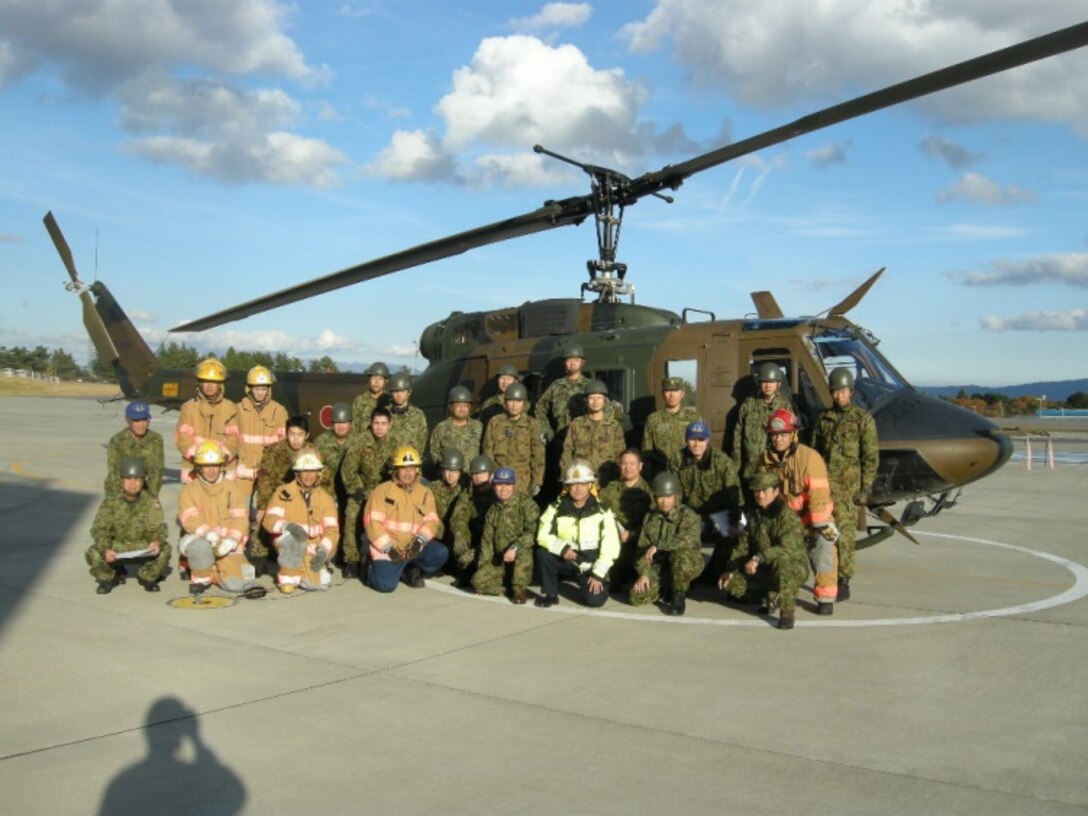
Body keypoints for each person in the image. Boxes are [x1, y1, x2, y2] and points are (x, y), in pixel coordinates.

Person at [758, 408, 838, 614]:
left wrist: (819, 526)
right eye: (774, 435)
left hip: (810, 520)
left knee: (825, 545)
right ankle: (772, 592)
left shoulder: (810, 458)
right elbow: (762, 496)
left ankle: (825, 597)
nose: (778, 439)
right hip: (783, 522)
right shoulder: (765, 460)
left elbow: (819, 496)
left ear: (793, 434)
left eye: (783, 434)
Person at [812, 367, 879, 601]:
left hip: (849, 490)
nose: (839, 395)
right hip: (827, 489)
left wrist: (866, 488)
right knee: (826, 533)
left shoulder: (863, 419)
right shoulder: (824, 418)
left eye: (843, 391)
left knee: (846, 536)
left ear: (850, 391)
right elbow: (815, 454)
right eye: (835, 391)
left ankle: (844, 579)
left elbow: (870, 457)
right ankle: (826, 576)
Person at [718, 471, 810, 630]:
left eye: (765, 491)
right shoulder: (754, 515)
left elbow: (786, 549)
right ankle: (770, 595)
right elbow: (743, 545)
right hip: (763, 567)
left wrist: (758, 558)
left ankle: (787, 612)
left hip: (792, 567)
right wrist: (731, 569)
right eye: (757, 491)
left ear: (775, 491)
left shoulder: (787, 517)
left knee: (782, 565)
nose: (760, 495)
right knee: (732, 585)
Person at [534, 460, 620, 608]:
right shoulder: (556, 508)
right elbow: (542, 535)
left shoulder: (602, 511)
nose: (578, 488)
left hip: (590, 565)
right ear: (567, 486)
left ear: (590, 486)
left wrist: (598, 574)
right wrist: (562, 548)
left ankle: (597, 583)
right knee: (543, 554)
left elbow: (611, 546)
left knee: (595, 601)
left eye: (583, 484)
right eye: (574, 484)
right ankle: (551, 594)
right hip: (566, 559)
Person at [363, 445, 449, 592]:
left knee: (440, 553)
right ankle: (369, 567)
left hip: (413, 547)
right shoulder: (382, 491)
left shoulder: (425, 493)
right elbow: (372, 522)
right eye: (403, 468)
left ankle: (408, 568)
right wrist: (389, 548)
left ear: (417, 469)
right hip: (389, 549)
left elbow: (432, 521)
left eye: (412, 468)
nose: (408, 472)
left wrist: (419, 542)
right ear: (396, 470)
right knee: (385, 586)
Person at [177, 440, 252, 596]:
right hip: (202, 541)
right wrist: (209, 536)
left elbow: (241, 519)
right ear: (199, 467)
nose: (211, 470)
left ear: (221, 467)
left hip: (227, 544)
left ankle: (215, 574)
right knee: (200, 548)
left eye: (215, 466)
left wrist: (230, 541)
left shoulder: (232, 489)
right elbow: (190, 518)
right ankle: (201, 578)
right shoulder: (189, 490)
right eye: (206, 466)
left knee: (239, 582)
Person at [87, 456, 170, 594]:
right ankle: (108, 578)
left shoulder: (150, 502)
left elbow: (158, 528)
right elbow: (100, 529)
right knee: (94, 552)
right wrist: (105, 549)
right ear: (121, 480)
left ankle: (147, 576)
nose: (133, 484)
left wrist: (156, 541)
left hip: (141, 546)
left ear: (143, 481)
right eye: (128, 479)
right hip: (117, 546)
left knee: (165, 548)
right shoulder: (111, 502)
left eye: (137, 479)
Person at [670, 420, 743, 574]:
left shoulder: (722, 461)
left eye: (701, 439)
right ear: (686, 440)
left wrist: (734, 522)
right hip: (690, 512)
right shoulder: (677, 459)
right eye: (693, 439)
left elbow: (734, 496)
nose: (697, 444)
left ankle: (716, 568)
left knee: (735, 534)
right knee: (677, 534)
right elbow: (674, 495)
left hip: (718, 512)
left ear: (708, 440)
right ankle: (687, 570)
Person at [262, 449, 339, 593]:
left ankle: (306, 569)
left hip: (313, 547)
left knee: (316, 584)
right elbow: (269, 520)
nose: (309, 476)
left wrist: (323, 551)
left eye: (313, 471)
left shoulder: (326, 499)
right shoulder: (283, 492)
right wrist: (287, 526)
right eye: (304, 471)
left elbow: (332, 531)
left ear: (319, 473)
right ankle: (287, 578)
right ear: (297, 473)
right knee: (292, 542)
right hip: (289, 542)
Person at [629, 472, 704, 615]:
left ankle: (678, 595)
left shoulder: (689, 516)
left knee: (681, 556)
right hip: (661, 567)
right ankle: (667, 586)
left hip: (686, 561)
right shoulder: (650, 518)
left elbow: (685, 540)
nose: (665, 502)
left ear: (676, 496)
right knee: (636, 597)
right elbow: (641, 549)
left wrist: (658, 546)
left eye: (669, 497)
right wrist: (644, 573)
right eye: (660, 497)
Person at [250, 415, 312, 575]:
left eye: (300, 435)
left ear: (307, 435)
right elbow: (265, 480)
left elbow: (322, 478)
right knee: (262, 521)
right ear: (286, 434)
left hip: (303, 499)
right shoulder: (274, 451)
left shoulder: (312, 453)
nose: (296, 439)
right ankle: (259, 559)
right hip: (276, 497)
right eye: (292, 434)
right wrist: (263, 506)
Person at [339, 406, 397, 578]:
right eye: (376, 423)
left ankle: (388, 557)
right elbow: (348, 469)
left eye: (383, 423)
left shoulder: (397, 443)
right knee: (352, 516)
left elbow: (401, 471)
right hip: (362, 490)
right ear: (371, 424)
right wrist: (356, 489)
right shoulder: (360, 441)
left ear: (390, 424)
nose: (379, 427)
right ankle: (352, 560)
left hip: (386, 493)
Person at [471, 467, 540, 604]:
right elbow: (487, 543)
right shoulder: (493, 510)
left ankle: (519, 589)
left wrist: (515, 547)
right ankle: (508, 588)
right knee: (477, 581)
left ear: (513, 485)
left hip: (520, 557)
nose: (503, 489)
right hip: (500, 559)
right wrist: (484, 568)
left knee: (524, 552)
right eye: (499, 485)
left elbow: (533, 533)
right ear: (494, 486)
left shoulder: (527, 505)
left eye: (507, 484)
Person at [175, 358, 239, 483]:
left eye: (214, 382)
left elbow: (234, 438)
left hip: (223, 469)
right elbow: (182, 437)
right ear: (200, 383)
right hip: (194, 468)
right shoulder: (188, 407)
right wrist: (197, 459)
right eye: (205, 381)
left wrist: (223, 458)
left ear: (220, 384)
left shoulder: (230, 408)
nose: (209, 385)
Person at [598, 448, 653, 587]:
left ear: (640, 466)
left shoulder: (649, 493)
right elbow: (597, 513)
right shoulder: (610, 490)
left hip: (639, 546)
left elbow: (655, 526)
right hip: (614, 545)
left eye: (632, 463)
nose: (628, 467)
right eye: (624, 463)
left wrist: (632, 534)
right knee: (610, 584)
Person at [732, 361, 796, 480]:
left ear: (778, 384)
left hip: (775, 469)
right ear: (760, 384)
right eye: (764, 382)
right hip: (751, 469)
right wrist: (736, 466)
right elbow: (737, 436)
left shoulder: (785, 406)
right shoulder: (748, 405)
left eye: (771, 382)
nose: (768, 386)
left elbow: (793, 438)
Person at [234, 365, 287, 503]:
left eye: (263, 389)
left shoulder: (279, 411)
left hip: (268, 470)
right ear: (249, 389)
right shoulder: (238, 410)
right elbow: (231, 439)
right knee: (241, 510)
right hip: (243, 470)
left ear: (269, 389)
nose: (260, 393)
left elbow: (283, 442)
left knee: (264, 511)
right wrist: (239, 464)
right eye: (257, 388)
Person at [482, 382, 545, 497]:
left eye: (518, 401)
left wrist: (537, 481)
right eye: (511, 401)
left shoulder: (532, 424)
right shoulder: (495, 422)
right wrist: (489, 474)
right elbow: (488, 451)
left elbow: (538, 456)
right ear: (505, 402)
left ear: (524, 403)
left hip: (522, 482)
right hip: (499, 479)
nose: (514, 405)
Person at [560, 379, 625, 484]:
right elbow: (567, 453)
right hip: (582, 479)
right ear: (586, 400)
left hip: (607, 479)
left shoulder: (614, 426)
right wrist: (566, 476)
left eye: (599, 398)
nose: (595, 402)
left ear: (605, 400)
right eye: (592, 398)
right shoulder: (576, 424)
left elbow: (620, 454)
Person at [445, 453, 496, 585]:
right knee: (458, 535)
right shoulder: (467, 494)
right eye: (474, 474)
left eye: (482, 473)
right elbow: (457, 519)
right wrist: (460, 538)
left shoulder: (498, 495)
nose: (478, 477)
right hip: (474, 537)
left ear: (490, 475)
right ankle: (465, 570)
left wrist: (474, 552)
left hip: (490, 541)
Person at [641, 376, 701, 476]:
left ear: (682, 394)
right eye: (668, 390)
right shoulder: (653, 419)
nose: (672, 394)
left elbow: (701, 447)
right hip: (661, 471)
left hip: (688, 471)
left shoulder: (693, 418)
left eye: (676, 390)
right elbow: (647, 451)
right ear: (662, 394)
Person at [104, 400, 164, 498]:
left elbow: (156, 472)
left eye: (144, 420)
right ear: (128, 420)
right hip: (118, 489)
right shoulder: (118, 441)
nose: (141, 424)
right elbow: (114, 473)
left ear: (149, 420)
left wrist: (150, 497)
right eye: (136, 420)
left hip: (144, 489)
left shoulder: (155, 440)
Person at [534, 344, 588, 443]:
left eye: (576, 360)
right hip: (560, 439)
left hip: (583, 440)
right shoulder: (556, 386)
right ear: (565, 363)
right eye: (569, 360)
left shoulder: (589, 386)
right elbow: (540, 407)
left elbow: (606, 410)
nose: (572, 363)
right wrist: (545, 429)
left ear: (582, 363)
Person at [427, 386, 483, 475]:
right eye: (458, 405)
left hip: (472, 479)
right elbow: (435, 455)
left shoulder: (479, 427)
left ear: (469, 407)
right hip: (450, 479)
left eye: (465, 405)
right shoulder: (441, 429)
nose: (462, 409)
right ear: (451, 407)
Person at [314, 401, 353, 517]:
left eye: (344, 422)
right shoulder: (320, 442)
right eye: (337, 423)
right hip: (328, 491)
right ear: (331, 424)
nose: (340, 427)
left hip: (351, 491)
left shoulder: (359, 441)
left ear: (351, 424)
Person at [431, 448, 467, 545]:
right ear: (443, 471)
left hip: (455, 534)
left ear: (460, 473)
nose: (451, 475)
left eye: (455, 471)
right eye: (448, 470)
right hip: (436, 534)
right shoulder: (432, 488)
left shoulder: (464, 491)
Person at [387, 372, 428, 453]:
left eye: (402, 391)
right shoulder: (384, 414)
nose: (398, 395)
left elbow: (422, 440)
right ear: (391, 393)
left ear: (409, 392)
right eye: (395, 391)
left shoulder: (418, 415)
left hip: (411, 462)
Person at [476, 364, 520, 429]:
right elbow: (479, 426)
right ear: (498, 380)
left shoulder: (524, 404)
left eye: (509, 379)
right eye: (502, 378)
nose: (505, 382)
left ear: (516, 381)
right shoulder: (488, 403)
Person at [351, 362, 391, 428]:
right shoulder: (359, 401)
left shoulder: (390, 401)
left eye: (380, 378)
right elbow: (353, 425)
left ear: (386, 381)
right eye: (374, 378)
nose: (376, 382)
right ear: (369, 379)